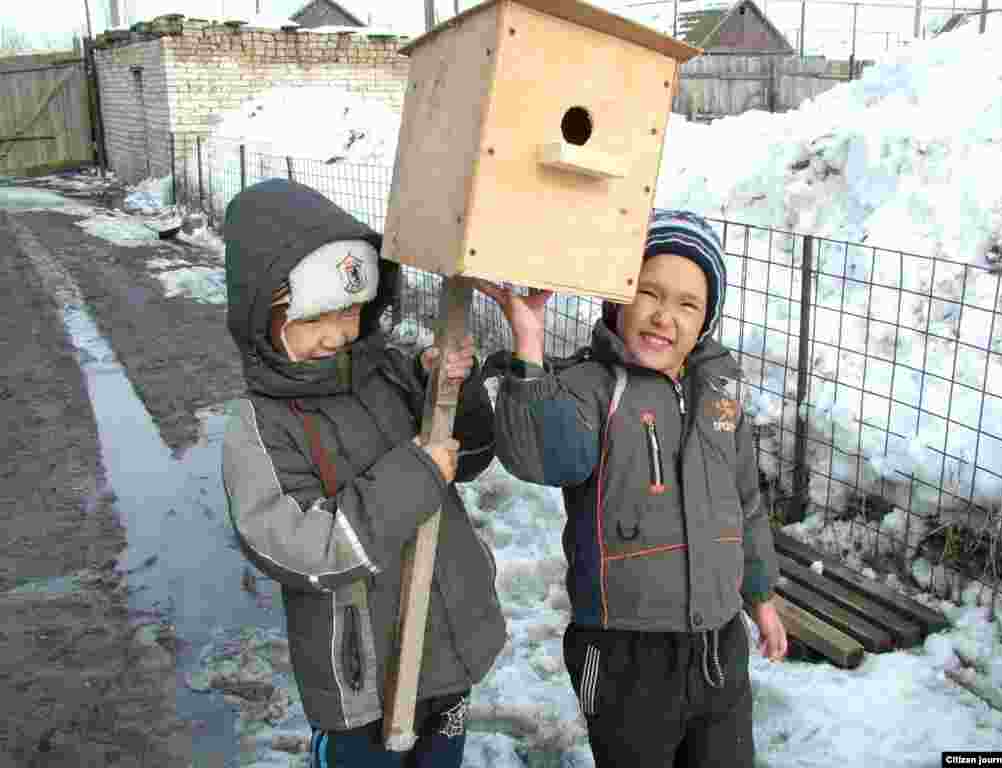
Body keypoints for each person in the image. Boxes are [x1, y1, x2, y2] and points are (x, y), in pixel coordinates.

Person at [475, 209, 787, 768]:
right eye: (649, 292)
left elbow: (747, 504)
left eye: (688, 304)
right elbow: (538, 456)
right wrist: (528, 347)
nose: (664, 316)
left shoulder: (720, 393)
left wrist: (760, 597)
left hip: (720, 645)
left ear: (706, 319)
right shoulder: (593, 386)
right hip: (624, 655)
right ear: (619, 296)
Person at [221, 178, 506, 768]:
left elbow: (472, 461)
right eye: (313, 317)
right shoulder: (261, 426)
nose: (338, 333)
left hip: (446, 640)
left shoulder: (390, 374)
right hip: (360, 672)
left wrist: (448, 394)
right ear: (262, 316)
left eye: (350, 309)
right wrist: (414, 475)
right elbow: (301, 547)